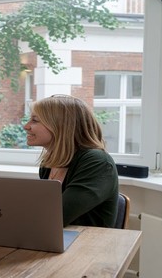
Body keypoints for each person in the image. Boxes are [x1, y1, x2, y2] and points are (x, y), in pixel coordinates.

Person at [23, 94, 118, 227]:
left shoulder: (98, 162)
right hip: (57, 240)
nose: (26, 126)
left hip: (88, 244)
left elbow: (55, 216)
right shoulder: (49, 163)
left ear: (61, 125)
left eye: (35, 120)